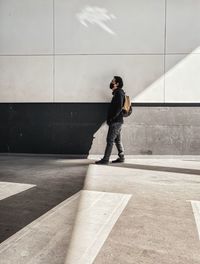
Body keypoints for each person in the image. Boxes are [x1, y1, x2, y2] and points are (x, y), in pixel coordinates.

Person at [95, 76, 125, 164]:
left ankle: (105, 159)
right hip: (117, 121)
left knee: (110, 140)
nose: (111, 82)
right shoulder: (118, 93)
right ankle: (121, 157)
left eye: (113, 81)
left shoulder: (119, 93)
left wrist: (111, 119)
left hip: (116, 122)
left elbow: (119, 108)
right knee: (117, 140)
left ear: (117, 84)